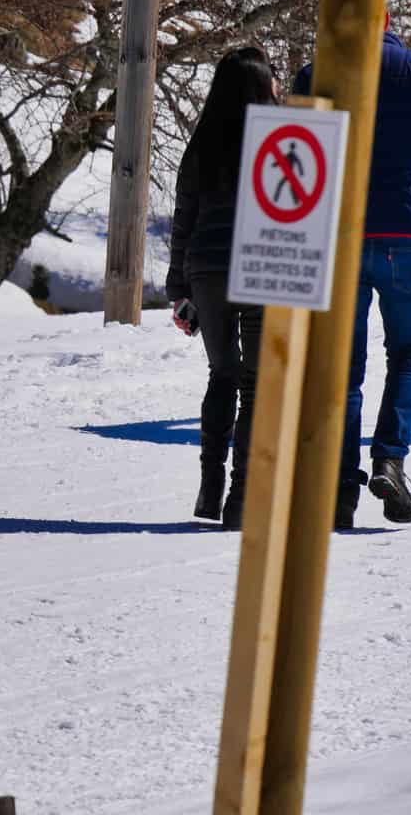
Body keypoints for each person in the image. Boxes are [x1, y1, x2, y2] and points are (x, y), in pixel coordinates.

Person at [293, 14, 411, 529]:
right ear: (392, 23)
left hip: (338, 239)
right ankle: (390, 461)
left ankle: (339, 486)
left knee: (341, 366)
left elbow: (293, 162)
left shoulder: (316, 76)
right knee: (408, 352)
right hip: (410, 237)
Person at [166, 47, 278, 531]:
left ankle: (209, 487)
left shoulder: (203, 140)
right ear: (262, 83)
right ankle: (241, 498)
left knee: (221, 374)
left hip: (207, 268)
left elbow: (183, 219)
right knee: (254, 386)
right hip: (259, 262)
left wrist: (179, 288)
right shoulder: (278, 139)